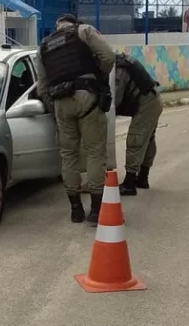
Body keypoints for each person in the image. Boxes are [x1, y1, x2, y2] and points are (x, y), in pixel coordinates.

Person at [35, 14, 115, 225]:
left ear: (57, 26)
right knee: (95, 152)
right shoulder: (84, 31)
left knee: (68, 155)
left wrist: (54, 107)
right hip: (86, 96)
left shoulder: (43, 47)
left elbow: (42, 86)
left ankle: (76, 210)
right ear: (74, 22)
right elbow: (109, 57)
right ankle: (96, 211)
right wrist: (98, 77)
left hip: (61, 102)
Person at [114, 52, 162, 196]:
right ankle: (142, 178)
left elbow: (114, 100)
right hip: (153, 99)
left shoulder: (117, 70)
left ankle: (129, 183)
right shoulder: (119, 62)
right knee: (148, 140)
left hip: (147, 103)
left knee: (137, 138)